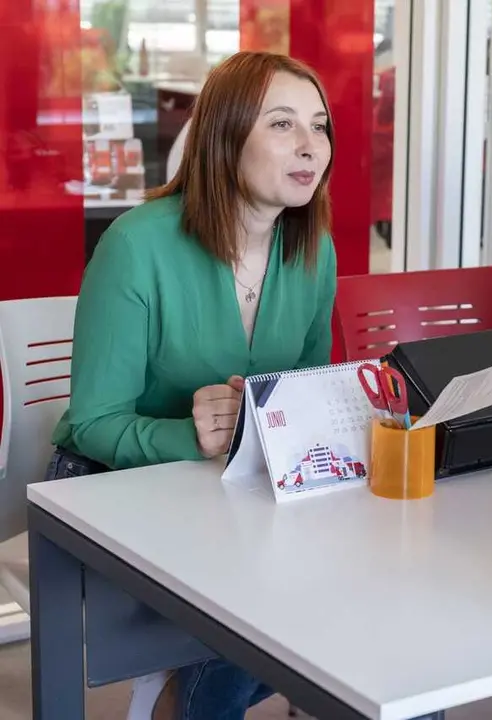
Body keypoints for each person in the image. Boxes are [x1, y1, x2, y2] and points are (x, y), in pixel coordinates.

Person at [46, 51, 337, 719]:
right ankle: (186, 702)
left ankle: (185, 698)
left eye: (319, 127)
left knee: (372, 588)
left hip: (232, 490)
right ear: (225, 136)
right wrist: (187, 434)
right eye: (283, 124)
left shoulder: (313, 249)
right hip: (104, 484)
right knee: (257, 605)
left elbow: (305, 395)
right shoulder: (136, 245)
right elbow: (92, 423)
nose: (309, 146)